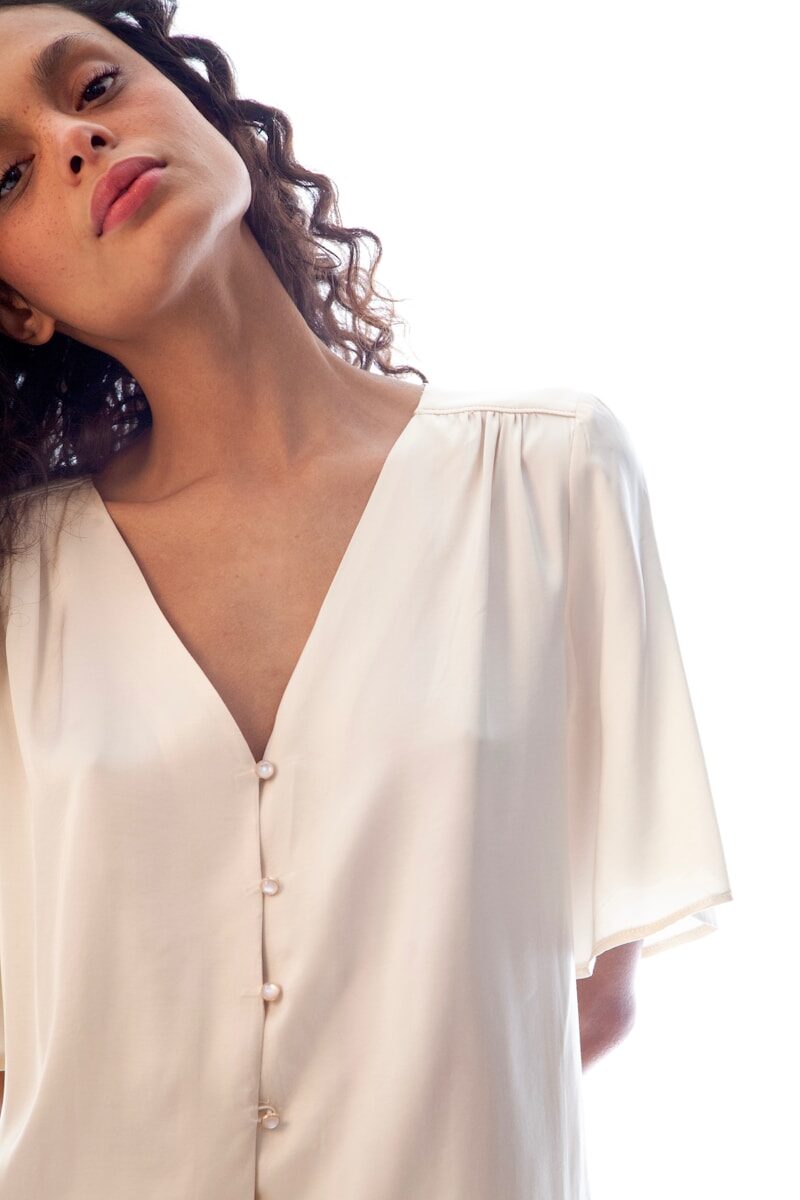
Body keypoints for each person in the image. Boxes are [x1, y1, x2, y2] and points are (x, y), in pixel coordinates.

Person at [0, 3, 734, 1198]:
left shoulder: (546, 478)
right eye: (8, 176)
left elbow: (576, 1005)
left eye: (91, 88)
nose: (75, 141)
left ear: (198, 108)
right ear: (17, 307)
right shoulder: (16, 587)